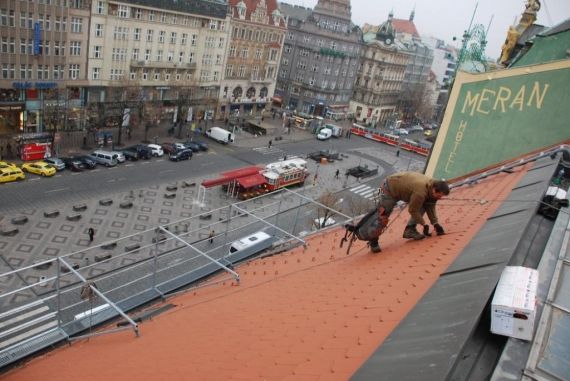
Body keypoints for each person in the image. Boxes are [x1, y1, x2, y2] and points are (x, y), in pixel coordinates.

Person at [368, 172, 450, 253]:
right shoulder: (420, 192)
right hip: (389, 188)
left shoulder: (435, 185)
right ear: (434, 190)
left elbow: (430, 205)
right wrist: (424, 224)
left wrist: (435, 223)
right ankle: (373, 240)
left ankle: (410, 230)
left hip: (401, 185)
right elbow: (412, 210)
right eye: (439, 196)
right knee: (383, 215)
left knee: (424, 203)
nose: (440, 198)